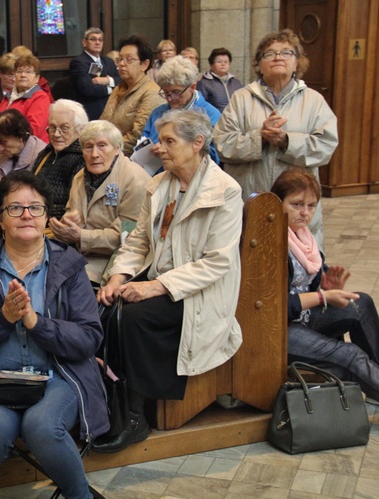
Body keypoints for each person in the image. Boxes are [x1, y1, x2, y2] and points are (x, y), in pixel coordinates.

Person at [0, 170, 108, 499]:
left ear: (47, 216)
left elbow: (89, 338)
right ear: (1, 219)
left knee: (42, 426)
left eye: (35, 208)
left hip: (60, 378)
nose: (26, 215)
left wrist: (36, 323)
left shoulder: (69, 264)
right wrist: (3, 318)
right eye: (14, 208)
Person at [94, 109, 243, 453]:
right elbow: (139, 242)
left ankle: (134, 416)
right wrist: (118, 277)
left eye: (169, 141)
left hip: (200, 294)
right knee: (104, 306)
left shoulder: (225, 191)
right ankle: (106, 405)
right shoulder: (161, 184)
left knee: (133, 317)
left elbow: (216, 262)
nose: (159, 148)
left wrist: (154, 287)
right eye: (160, 140)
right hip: (160, 278)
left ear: (198, 143)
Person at [213, 29, 338, 247]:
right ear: (258, 65)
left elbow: (325, 145)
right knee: (251, 268)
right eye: (269, 54)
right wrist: (259, 138)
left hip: (298, 207)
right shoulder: (241, 99)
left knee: (295, 270)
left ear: (297, 63)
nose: (278, 57)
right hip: (250, 201)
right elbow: (222, 142)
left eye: (286, 53)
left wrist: (287, 142)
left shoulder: (313, 100)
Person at [271, 169, 379, 403]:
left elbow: (309, 277)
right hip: (278, 330)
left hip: (303, 317)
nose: (305, 213)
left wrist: (324, 282)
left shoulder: (302, 236)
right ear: (276, 202)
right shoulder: (268, 241)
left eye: (311, 206)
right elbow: (276, 306)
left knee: (361, 304)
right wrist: (323, 297)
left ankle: (377, 383)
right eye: (297, 204)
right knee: (350, 354)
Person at [51, 120, 148, 284]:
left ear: (117, 149)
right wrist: (66, 225)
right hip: (79, 253)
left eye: (102, 145)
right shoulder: (80, 177)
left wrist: (81, 236)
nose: (94, 154)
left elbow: (127, 236)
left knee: (68, 284)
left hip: (113, 260)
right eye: (88, 147)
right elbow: (73, 214)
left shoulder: (135, 180)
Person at [140, 55, 221, 167]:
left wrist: (170, 149)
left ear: (192, 87)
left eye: (176, 92)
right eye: (166, 92)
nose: (170, 98)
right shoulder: (157, 113)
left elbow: (214, 158)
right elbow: (143, 143)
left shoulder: (210, 115)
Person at [100, 35, 164, 155]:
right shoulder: (119, 88)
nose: (122, 64)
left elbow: (137, 136)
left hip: (127, 157)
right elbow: (103, 121)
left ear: (144, 64)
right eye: (120, 59)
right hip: (107, 153)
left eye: (129, 60)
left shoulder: (152, 93)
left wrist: (106, 150)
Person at [31, 99, 88, 220]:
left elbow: (74, 210)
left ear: (80, 130)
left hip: (56, 227)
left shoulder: (82, 159)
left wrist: (37, 210)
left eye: (64, 128)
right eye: (52, 127)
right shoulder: (46, 153)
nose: (56, 134)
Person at [0, 109, 47, 208]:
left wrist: (2, 189)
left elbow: (37, 195)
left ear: (20, 136)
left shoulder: (41, 154)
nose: (0, 148)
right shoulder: (2, 154)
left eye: (4, 142)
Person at [0, 55, 51, 143]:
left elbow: (32, 130)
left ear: (37, 78)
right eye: (19, 71)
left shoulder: (40, 97)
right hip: (6, 147)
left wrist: (3, 124)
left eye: (28, 72)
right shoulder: (10, 95)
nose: (23, 75)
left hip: (31, 150)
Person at [69, 28, 121, 121]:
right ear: (85, 42)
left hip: (112, 112)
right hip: (91, 113)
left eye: (100, 39)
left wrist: (107, 80)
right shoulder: (78, 62)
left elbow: (121, 81)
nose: (97, 42)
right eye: (93, 39)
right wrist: (112, 89)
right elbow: (87, 89)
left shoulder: (108, 61)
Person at [197, 47, 244, 112]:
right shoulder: (204, 83)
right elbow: (200, 106)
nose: (223, 64)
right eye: (219, 62)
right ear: (211, 65)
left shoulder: (236, 83)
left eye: (226, 62)